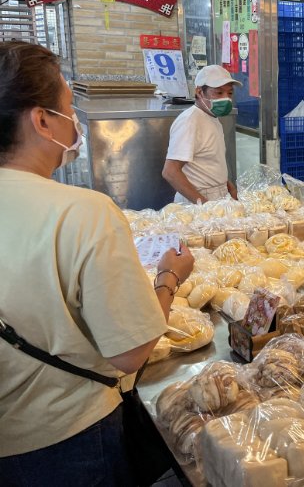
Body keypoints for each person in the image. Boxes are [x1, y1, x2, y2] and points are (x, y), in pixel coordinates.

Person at [0, 42, 194, 486]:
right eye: (69, 109)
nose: (75, 125)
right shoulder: (82, 211)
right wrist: (168, 278)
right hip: (68, 441)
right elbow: (131, 351)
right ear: (41, 120)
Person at [163, 64, 240, 203]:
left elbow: (209, 163)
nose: (226, 99)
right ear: (199, 92)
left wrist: (228, 186)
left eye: (229, 93)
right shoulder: (190, 121)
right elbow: (170, 172)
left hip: (217, 197)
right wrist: (205, 206)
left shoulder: (212, 117)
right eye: (219, 92)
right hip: (197, 200)